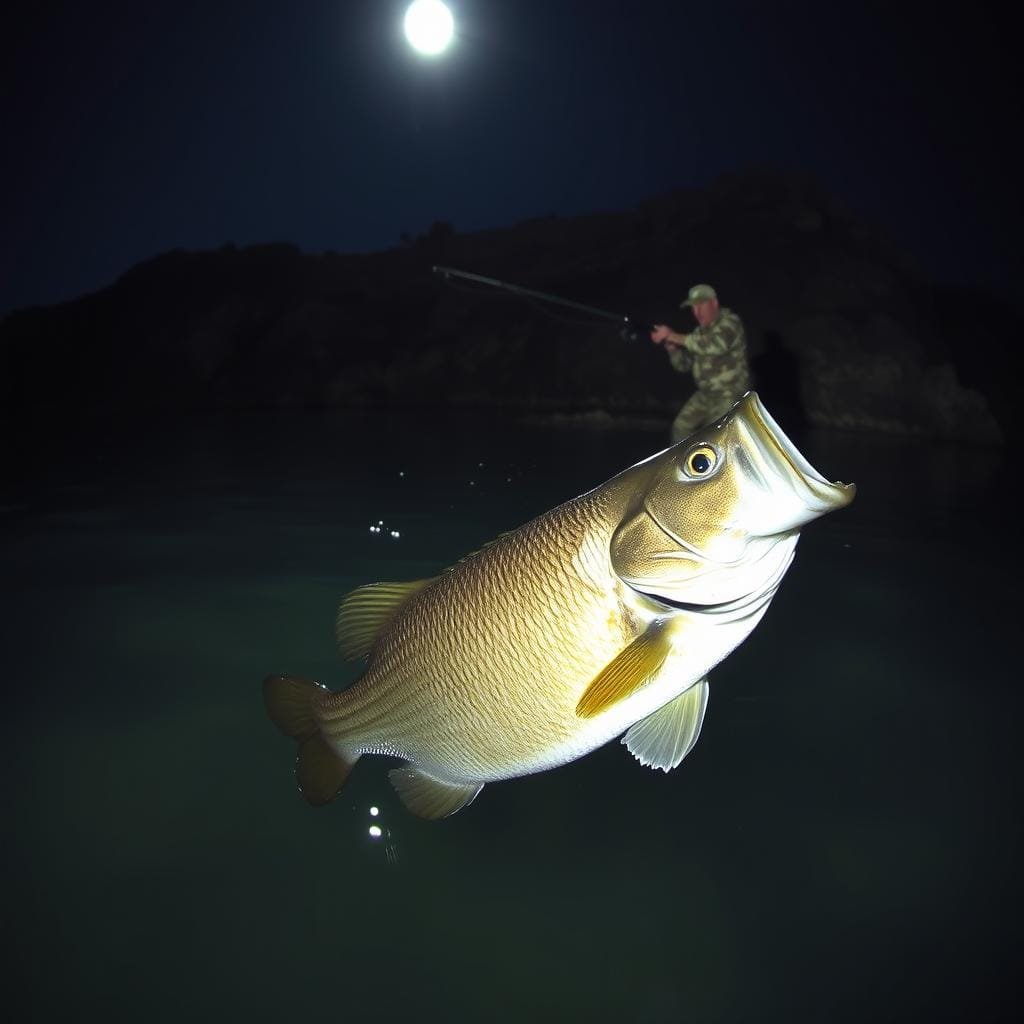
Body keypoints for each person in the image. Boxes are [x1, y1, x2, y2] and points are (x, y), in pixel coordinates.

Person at [650, 283, 752, 443]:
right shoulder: (698, 333)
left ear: (714, 303)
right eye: (693, 307)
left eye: (701, 305)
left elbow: (715, 345)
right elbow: (683, 365)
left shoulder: (731, 322)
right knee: (681, 426)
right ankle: (679, 465)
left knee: (714, 436)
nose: (696, 312)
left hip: (729, 393)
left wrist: (672, 336)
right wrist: (672, 349)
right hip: (705, 394)